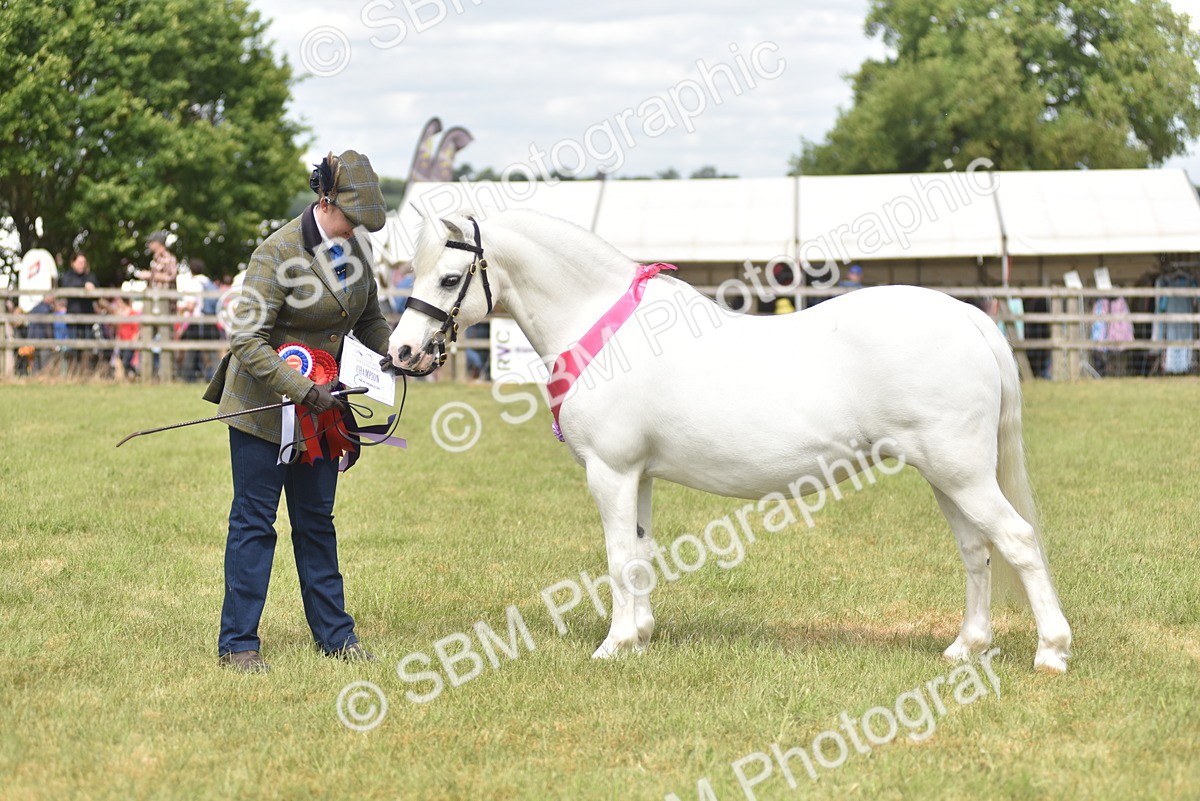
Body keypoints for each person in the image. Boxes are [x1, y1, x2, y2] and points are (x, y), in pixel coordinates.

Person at [203, 149, 393, 673]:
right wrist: (303, 390)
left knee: (316, 522)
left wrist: (397, 353)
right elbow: (247, 339)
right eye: (350, 217)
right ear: (324, 199)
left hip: (324, 410)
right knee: (254, 523)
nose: (357, 229)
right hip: (263, 408)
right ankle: (238, 644)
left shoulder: (358, 249)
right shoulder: (276, 252)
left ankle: (336, 637)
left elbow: (369, 320)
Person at [57, 252, 98, 366]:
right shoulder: (68, 277)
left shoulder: (90, 276)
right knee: (74, 349)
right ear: (72, 263)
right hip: (73, 319)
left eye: (83, 262)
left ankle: (87, 371)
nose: (82, 265)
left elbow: (97, 291)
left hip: (88, 320)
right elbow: (66, 285)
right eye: (79, 262)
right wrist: (84, 286)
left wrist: (92, 288)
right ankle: (74, 371)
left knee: (88, 348)